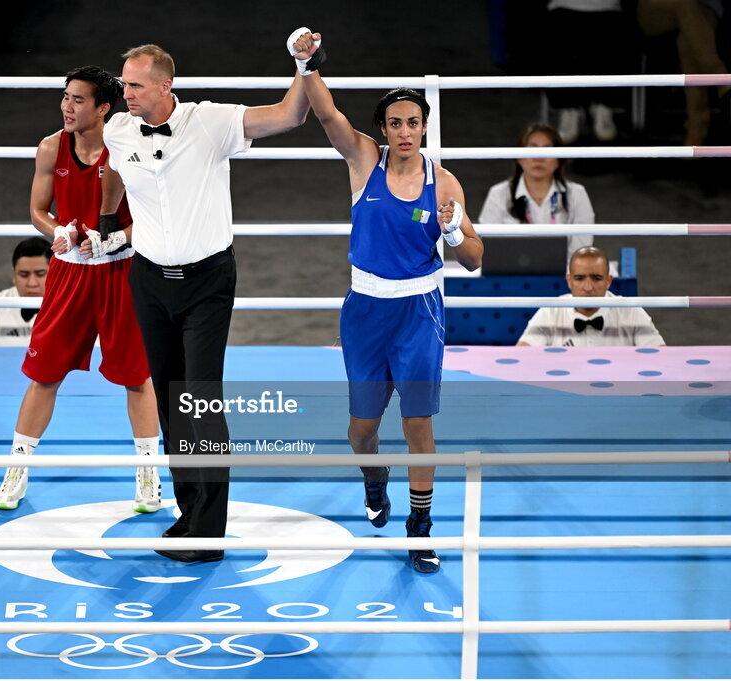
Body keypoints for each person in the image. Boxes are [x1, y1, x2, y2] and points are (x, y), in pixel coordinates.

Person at [98, 43, 310, 564]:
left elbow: (290, 115)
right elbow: (114, 168)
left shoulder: (211, 122)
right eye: (124, 85)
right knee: (171, 401)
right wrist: (107, 217)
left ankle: (209, 533)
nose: (126, 94)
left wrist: (305, 66)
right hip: (148, 280)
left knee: (200, 398)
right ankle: (189, 511)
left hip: (207, 283)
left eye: (135, 85)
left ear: (166, 85)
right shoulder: (118, 130)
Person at [289, 28, 483, 574]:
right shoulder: (363, 161)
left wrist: (452, 232)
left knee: (418, 425)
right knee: (361, 430)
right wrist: (307, 64)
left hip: (419, 312)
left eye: (413, 123)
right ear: (383, 129)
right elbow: (327, 115)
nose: (404, 132)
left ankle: (420, 528)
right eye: (395, 123)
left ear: (424, 128)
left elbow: (474, 258)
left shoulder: (445, 184)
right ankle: (374, 475)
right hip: (366, 311)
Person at [0, 66, 162, 515]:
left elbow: (154, 215)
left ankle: (148, 474)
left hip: (122, 273)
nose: (67, 106)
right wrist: (59, 231)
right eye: (66, 97)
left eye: (78, 99)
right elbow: (37, 209)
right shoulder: (51, 147)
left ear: (103, 108)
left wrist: (117, 238)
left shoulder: (131, 148)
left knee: (136, 377)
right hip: (69, 274)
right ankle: (17, 468)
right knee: (44, 373)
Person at [478, 123, 594, 261]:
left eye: (547, 150)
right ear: (519, 157)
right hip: (512, 272)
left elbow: (581, 251)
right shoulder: (498, 194)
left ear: (559, 159)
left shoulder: (577, 194)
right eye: (532, 149)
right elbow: (490, 248)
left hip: (563, 273)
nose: (539, 157)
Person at [517, 246, 666, 346]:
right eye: (579, 278)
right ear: (569, 281)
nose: (588, 287)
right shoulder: (551, 311)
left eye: (596, 278)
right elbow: (522, 357)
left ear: (608, 281)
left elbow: (661, 358)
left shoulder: (631, 311)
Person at [637, 0, 729, 146]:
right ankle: (721, 79)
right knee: (687, 6)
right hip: (654, 9)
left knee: (688, 39)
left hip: (704, 10)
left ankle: (696, 133)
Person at [546, 0, 630, 143]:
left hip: (608, 9)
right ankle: (568, 108)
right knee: (554, 34)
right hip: (563, 7)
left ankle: (604, 105)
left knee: (618, 34)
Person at [0, 237, 51, 347]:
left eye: (40, 274)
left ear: (56, 272)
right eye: (23, 275)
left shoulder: (70, 308)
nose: (31, 283)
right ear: (14, 274)